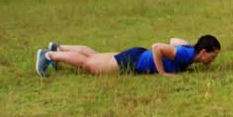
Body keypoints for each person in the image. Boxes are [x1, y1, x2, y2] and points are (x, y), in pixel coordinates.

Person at [35, 35, 220, 77]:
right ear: (204, 52)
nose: (213, 60)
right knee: (90, 64)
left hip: (137, 55)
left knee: (96, 56)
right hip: (134, 61)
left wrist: (190, 44)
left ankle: (59, 48)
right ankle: (49, 55)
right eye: (212, 56)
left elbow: (173, 39)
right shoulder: (186, 54)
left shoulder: (189, 51)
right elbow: (157, 47)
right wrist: (162, 72)